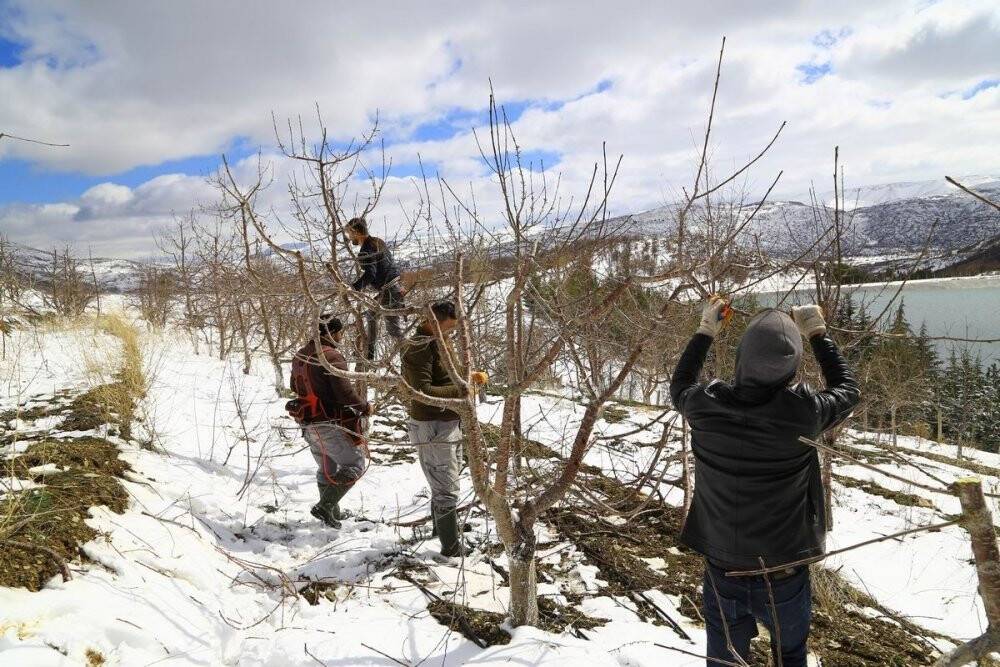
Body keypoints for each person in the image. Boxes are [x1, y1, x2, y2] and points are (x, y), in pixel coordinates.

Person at [669, 298, 861, 667]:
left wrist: (706, 330)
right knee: (789, 655)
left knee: (725, 660)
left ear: (742, 359)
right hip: (782, 569)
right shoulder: (804, 415)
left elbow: (681, 383)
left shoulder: (703, 407)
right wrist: (818, 333)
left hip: (723, 565)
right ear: (792, 365)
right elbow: (848, 390)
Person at [400, 301, 488, 557]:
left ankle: (442, 531)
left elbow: (447, 376)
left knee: (445, 482)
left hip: (448, 422)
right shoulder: (419, 348)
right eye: (447, 328)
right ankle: (450, 547)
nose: (449, 333)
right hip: (432, 426)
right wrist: (463, 390)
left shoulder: (439, 341)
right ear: (432, 322)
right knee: (446, 487)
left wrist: (469, 377)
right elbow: (422, 392)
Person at [288, 313, 373, 529]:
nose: (341, 337)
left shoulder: (300, 355)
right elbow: (344, 393)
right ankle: (325, 506)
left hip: (308, 422)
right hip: (330, 423)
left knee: (327, 467)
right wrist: (364, 407)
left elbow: (293, 386)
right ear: (333, 333)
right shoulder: (331, 356)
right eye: (340, 333)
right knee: (355, 465)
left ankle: (332, 514)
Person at [346, 217, 406, 361]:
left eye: (349, 233)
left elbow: (370, 275)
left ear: (356, 231)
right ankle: (371, 351)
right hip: (395, 288)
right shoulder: (379, 242)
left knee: (394, 330)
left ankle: (409, 355)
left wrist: (352, 289)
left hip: (389, 290)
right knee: (372, 314)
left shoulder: (365, 251)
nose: (349, 237)